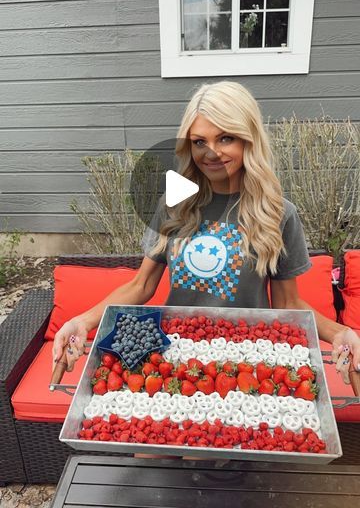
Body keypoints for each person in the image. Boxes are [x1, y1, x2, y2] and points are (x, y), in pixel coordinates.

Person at [53, 81, 360, 384]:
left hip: (248, 361)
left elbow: (288, 304)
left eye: (225, 138)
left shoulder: (278, 213)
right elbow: (141, 284)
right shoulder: (174, 204)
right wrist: (82, 321)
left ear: (248, 140)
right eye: (199, 141)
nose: (211, 152)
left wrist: (341, 333)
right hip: (176, 357)